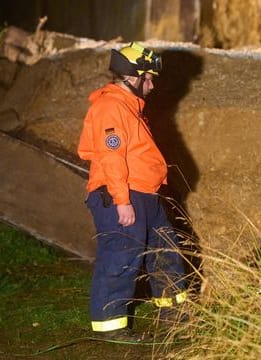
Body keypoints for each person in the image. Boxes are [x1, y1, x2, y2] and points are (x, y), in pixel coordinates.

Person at [78, 42, 187, 340]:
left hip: (145, 195)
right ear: (133, 77)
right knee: (121, 257)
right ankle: (110, 328)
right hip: (121, 194)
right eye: (148, 78)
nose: (151, 86)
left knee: (166, 251)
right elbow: (111, 155)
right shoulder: (110, 107)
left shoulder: (130, 109)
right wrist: (121, 200)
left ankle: (174, 317)